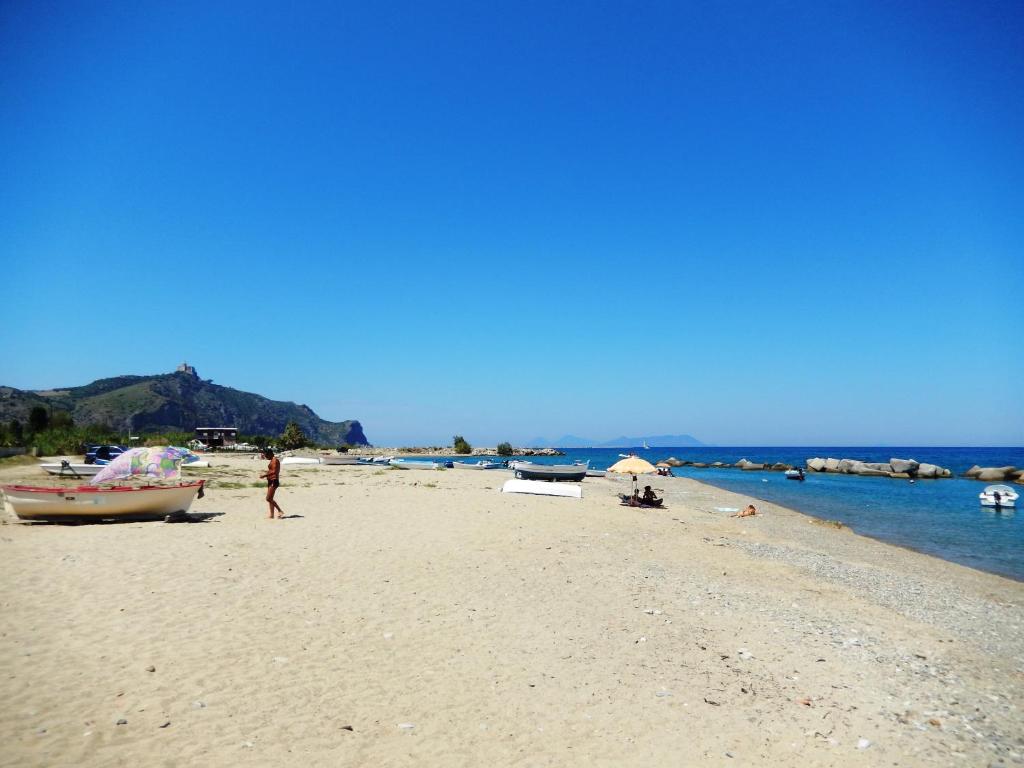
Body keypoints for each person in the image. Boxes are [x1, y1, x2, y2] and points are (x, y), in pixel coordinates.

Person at [260, 448, 284, 519]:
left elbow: (274, 471)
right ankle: (271, 515)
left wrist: (264, 475)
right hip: (270, 481)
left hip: (274, 481)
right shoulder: (272, 460)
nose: (266, 457)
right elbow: (271, 470)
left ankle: (280, 510)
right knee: (270, 499)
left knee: (268, 498)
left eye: (266, 455)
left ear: (270, 453)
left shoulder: (275, 460)